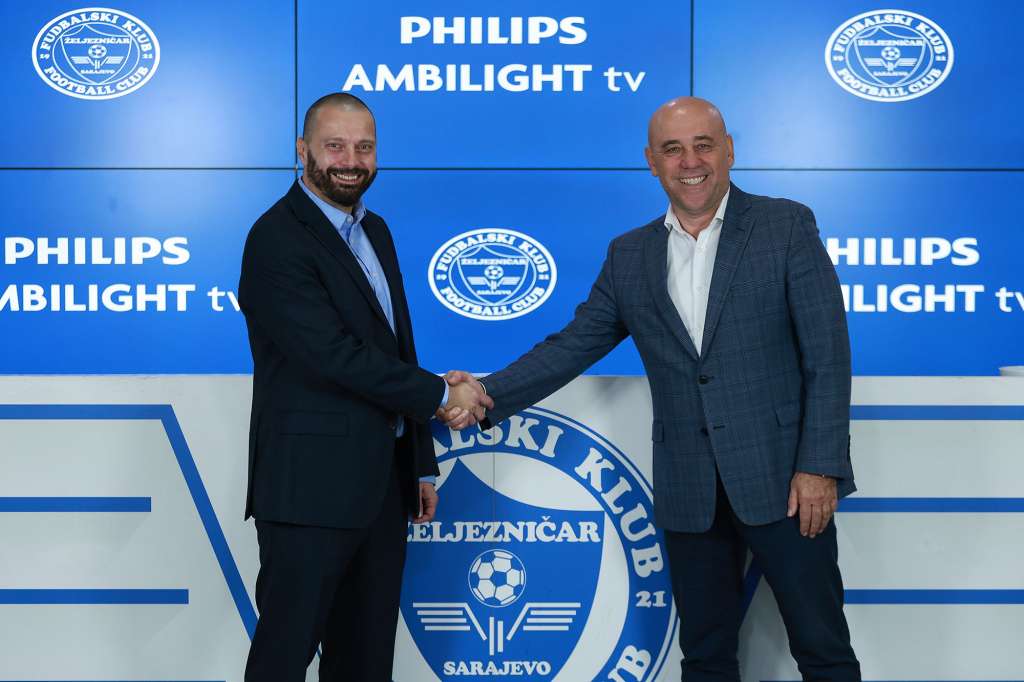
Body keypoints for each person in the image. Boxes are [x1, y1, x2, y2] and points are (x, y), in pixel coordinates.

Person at [443, 96, 861, 680]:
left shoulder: (785, 225)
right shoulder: (629, 254)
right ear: (652, 161)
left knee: (823, 649)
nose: (690, 162)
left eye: (703, 146)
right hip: (689, 488)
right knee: (705, 657)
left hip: (786, 481)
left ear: (728, 150)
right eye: (673, 149)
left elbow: (828, 355)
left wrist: (819, 466)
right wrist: (486, 391)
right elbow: (573, 344)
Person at [237, 92, 491, 682]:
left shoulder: (375, 230)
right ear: (302, 151)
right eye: (335, 146)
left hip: (380, 489)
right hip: (307, 492)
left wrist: (419, 463)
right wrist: (442, 395)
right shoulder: (275, 237)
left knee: (366, 662)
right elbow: (333, 356)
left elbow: (396, 347)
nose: (350, 161)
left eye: (364, 147)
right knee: (282, 659)